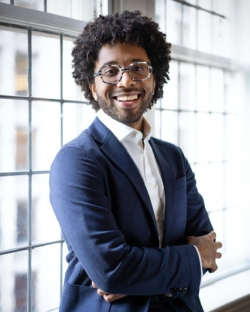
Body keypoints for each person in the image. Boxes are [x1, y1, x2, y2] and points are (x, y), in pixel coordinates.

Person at [49, 10, 222, 312]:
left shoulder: (173, 157)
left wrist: (134, 277)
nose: (126, 81)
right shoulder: (76, 161)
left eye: (138, 68)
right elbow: (113, 271)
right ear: (91, 85)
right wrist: (189, 258)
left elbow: (208, 247)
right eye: (110, 71)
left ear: (154, 78)